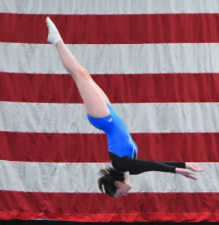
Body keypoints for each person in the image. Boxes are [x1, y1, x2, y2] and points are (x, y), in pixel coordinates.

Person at [46, 17, 203, 198]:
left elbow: (152, 165)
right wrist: (184, 165)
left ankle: (56, 40)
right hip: (108, 114)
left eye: (120, 193)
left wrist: (177, 171)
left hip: (103, 118)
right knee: (84, 75)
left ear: (117, 183)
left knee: (79, 75)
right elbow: (156, 163)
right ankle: (56, 39)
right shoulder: (131, 168)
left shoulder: (122, 165)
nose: (124, 195)